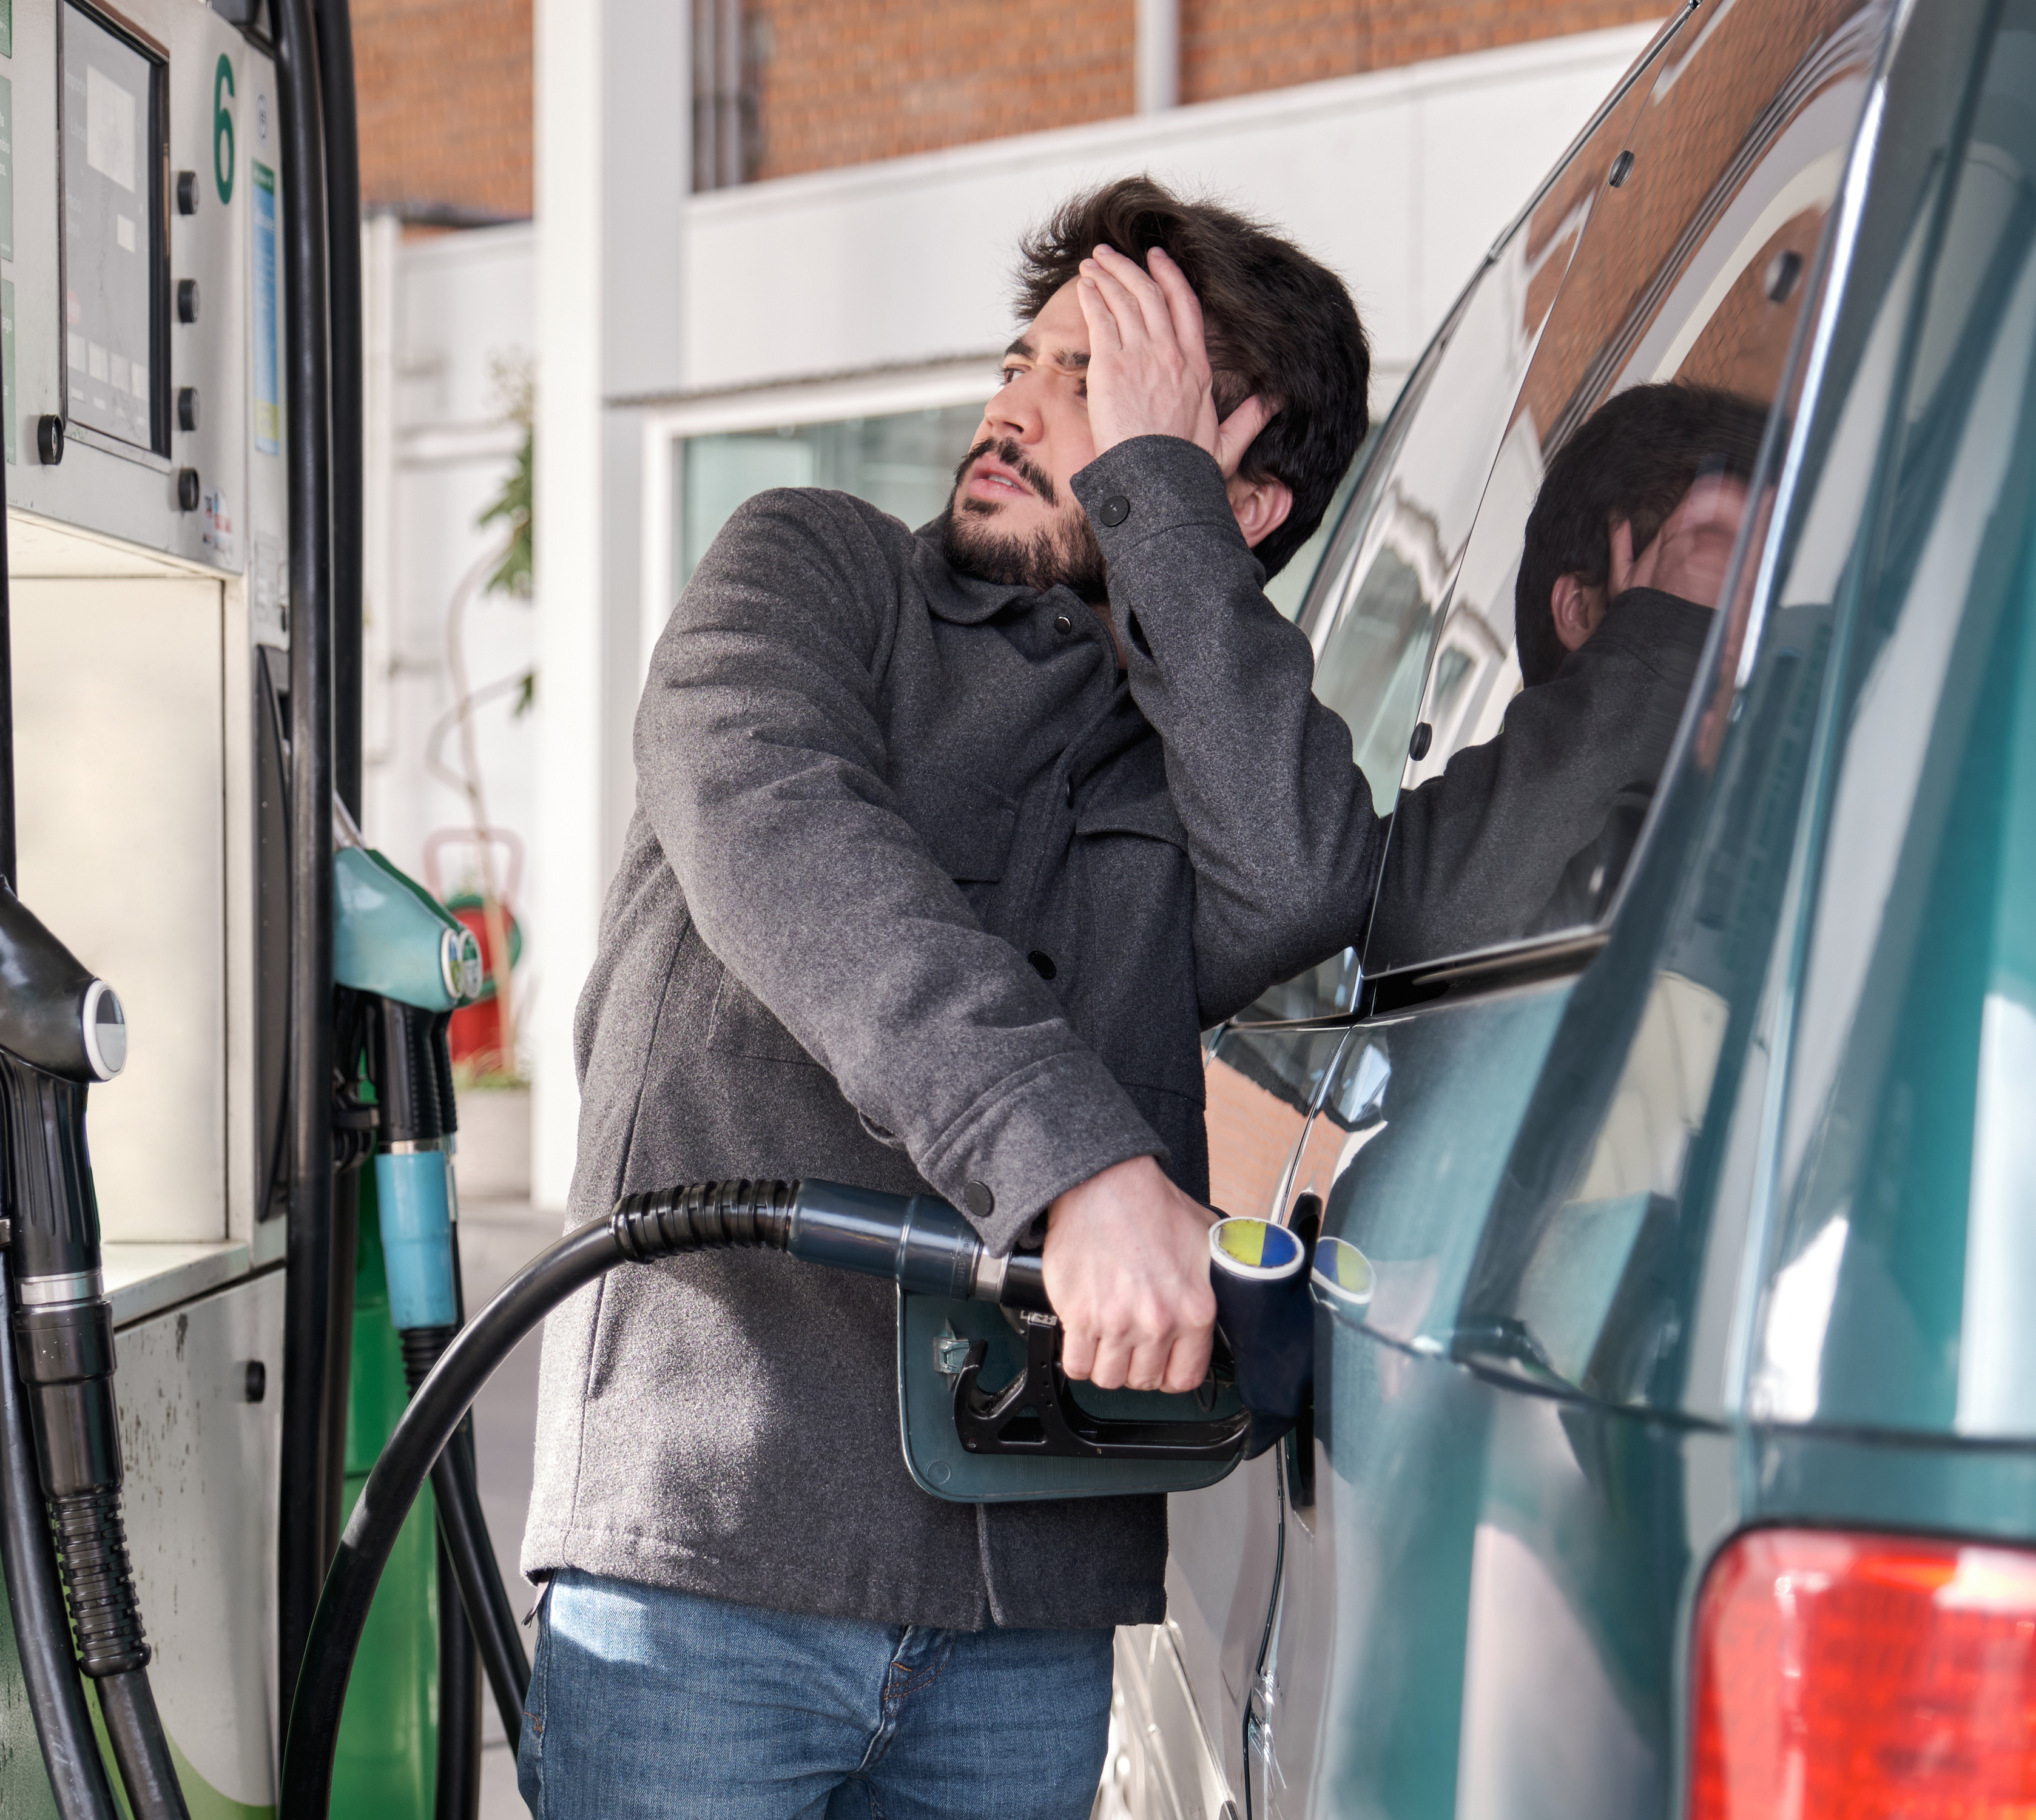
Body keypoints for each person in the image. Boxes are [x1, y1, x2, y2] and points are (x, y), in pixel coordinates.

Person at [515, 177, 1378, 1818]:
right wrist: (1073, 1167)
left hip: (1022, 1605)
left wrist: (1154, 508)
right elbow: (779, 829)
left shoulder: (1191, 743)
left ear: (1230, 497)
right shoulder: (807, 566)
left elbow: (1302, 880)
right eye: (1025, 358)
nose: (1014, 407)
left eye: (1091, 383)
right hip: (711, 1550)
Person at [1369, 382, 1767, 967]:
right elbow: (1436, 937)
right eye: (1707, 607)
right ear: (1582, 611)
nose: (1742, 651)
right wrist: (1655, 644)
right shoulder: (1561, 882)